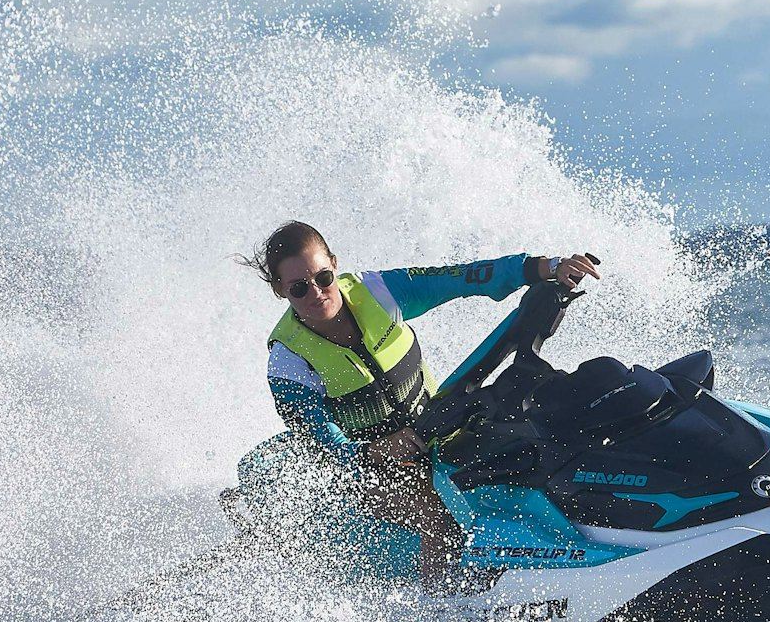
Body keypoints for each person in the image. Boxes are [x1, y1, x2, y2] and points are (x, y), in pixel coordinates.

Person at [243, 220, 600, 590]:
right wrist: (377, 450)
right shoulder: (288, 361)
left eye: (323, 278)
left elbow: (463, 277)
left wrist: (546, 267)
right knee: (441, 518)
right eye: (300, 289)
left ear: (334, 264)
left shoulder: (378, 293)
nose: (317, 293)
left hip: (435, 436)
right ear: (279, 290)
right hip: (361, 473)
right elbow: (323, 445)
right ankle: (434, 618)